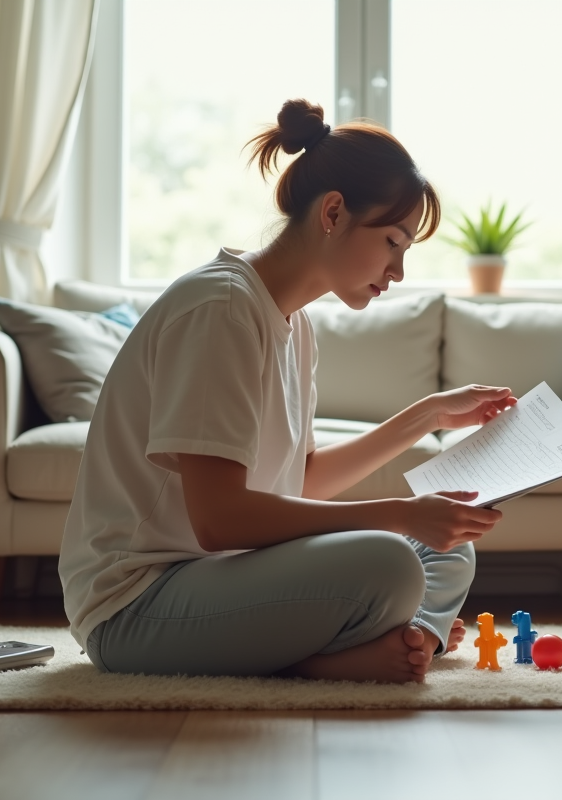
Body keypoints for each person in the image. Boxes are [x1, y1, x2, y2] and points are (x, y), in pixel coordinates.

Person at [59, 98, 517, 683]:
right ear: (333, 212)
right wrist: (401, 514)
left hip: (224, 578)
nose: (398, 271)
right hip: (137, 606)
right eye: (392, 242)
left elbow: (301, 481)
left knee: (447, 541)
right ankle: (330, 657)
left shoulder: (293, 324)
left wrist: (427, 415)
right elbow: (220, 521)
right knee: (393, 560)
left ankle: (412, 640)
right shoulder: (221, 308)